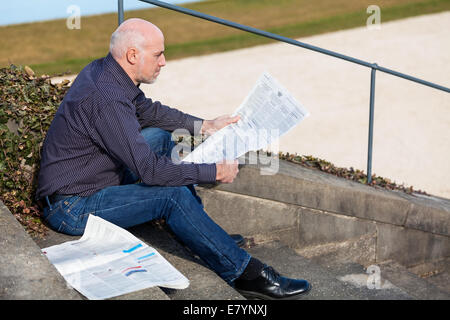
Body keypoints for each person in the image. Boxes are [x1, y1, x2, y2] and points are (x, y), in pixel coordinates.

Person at [36, 18, 310, 300]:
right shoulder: (108, 99)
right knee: (172, 196)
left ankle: (203, 232)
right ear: (132, 55)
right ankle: (245, 274)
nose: (164, 62)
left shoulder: (105, 71)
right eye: (158, 54)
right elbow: (152, 172)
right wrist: (211, 172)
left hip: (93, 177)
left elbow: (150, 112)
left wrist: (206, 125)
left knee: (160, 136)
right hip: (72, 206)